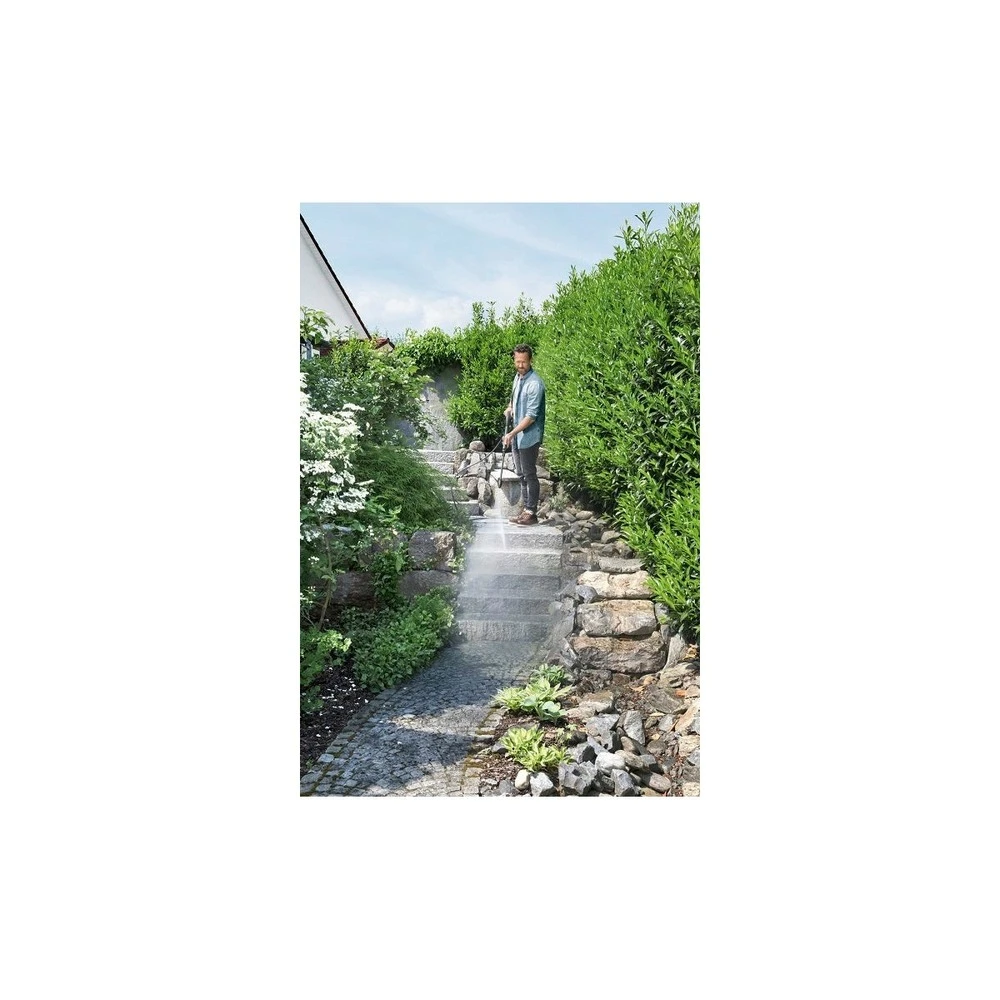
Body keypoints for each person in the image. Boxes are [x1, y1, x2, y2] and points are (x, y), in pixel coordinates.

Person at [502, 343, 546, 526]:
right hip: (517, 436)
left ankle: (531, 513)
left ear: (530, 360)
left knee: (529, 474)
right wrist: (510, 407)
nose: (520, 365)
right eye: (518, 362)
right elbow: (514, 398)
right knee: (520, 474)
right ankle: (526, 511)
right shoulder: (518, 377)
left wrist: (511, 433)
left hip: (529, 436)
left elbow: (531, 416)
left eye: (524, 362)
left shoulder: (535, 384)